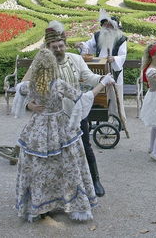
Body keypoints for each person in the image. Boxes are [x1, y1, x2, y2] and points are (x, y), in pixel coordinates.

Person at [14, 49, 115, 222]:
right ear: (53, 65)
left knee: (40, 168)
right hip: (60, 128)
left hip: (37, 130)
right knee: (68, 165)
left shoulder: (31, 85)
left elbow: (18, 90)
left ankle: (39, 205)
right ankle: (74, 204)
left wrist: (30, 105)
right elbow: (83, 98)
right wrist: (104, 82)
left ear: (37, 66)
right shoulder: (58, 84)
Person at [24, 21, 107, 197]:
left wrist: (102, 79)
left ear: (65, 44)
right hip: (52, 119)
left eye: (61, 46)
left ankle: (94, 180)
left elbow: (89, 77)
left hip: (76, 112)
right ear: (48, 47)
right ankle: (59, 190)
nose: (58, 49)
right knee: (55, 155)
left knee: (85, 147)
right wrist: (29, 104)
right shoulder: (42, 63)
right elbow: (25, 86)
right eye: (54, 47)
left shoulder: (75, 59)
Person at [76, 9, 128, 132]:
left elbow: (123, 56)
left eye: (109, 25)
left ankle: (118, 121)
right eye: (105, 25)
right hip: (99, 71)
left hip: (114, 71)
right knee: (101, 97)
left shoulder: (121, 39)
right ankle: (102, 121)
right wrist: (82, 45)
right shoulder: (98, 35)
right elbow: (89, 46)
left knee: (115, 99)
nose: (107, 27)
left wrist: (114, 59)